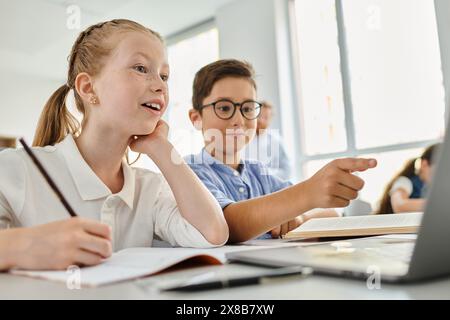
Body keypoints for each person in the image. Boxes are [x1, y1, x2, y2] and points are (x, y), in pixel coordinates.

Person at [0, 19, 228, 271]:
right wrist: (26, 245)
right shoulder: (16, 168)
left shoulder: (149, 188)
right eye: (141, 68)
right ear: (88, 88)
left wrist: (162, 149)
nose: (160, 85)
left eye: (164, 75)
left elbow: (212, 234)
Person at [185, 59, 377, 243]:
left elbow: (331, 214)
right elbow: (227, 224)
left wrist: (300, 217)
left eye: (248, 108)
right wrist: (308, 193)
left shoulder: (260, 173)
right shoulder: (189, 172)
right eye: (225, 108)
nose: (238, 120)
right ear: (196, 118)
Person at [375, 143, 440, 214]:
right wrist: (439, 203)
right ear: (424, 164)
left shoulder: (430, 189)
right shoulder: (405, 182)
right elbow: (400, 205)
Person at [246, 101, 292, 181]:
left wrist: (264, 173)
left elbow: (287, 171)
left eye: (265, 117)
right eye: (258, 116)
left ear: (270, 119)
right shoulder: (243, 139)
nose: (260, 120)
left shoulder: (276, 141)